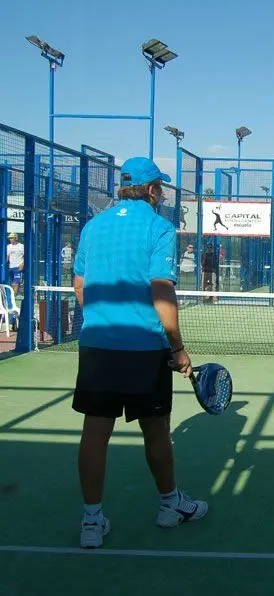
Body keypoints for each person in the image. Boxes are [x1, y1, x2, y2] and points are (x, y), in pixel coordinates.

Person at [71, 157, 207, 549]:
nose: (161, 194)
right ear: (151, 190)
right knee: (156, 430)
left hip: (97, 344)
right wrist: (178, 347)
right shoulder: (159, 227)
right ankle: (170, 506)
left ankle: (92, 522)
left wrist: (101, 318)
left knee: (95, 433)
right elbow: (161, 290)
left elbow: (80, 286)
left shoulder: (93, 227)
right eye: (160, 188)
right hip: (144, 348)